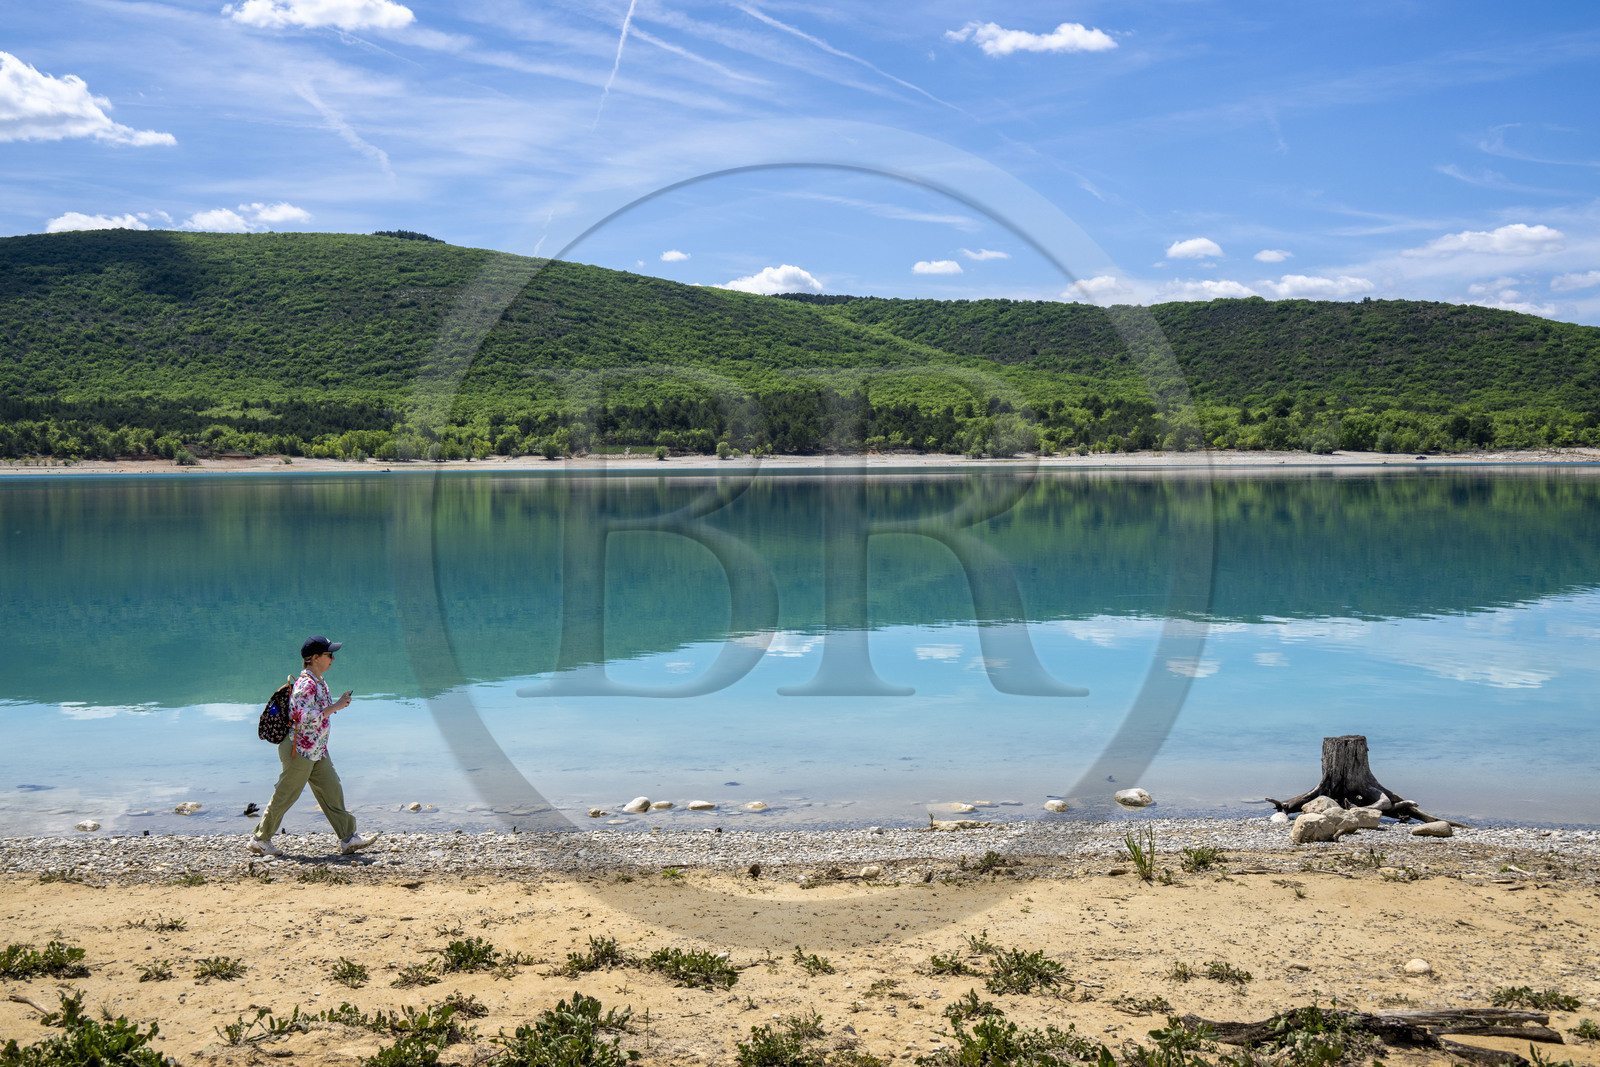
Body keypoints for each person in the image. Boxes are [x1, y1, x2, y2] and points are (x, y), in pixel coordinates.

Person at [248, 636, 378, 856]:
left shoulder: (319, 681)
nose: (333, 658)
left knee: (331, 789)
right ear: (315, 658)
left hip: (315, 747)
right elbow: (303, 717)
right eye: (329, 654)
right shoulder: (306, 684)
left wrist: (337, 705)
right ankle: (260, 839)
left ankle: (348, 839)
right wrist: (335, 706)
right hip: (298, 749)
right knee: (287, 793)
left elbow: (317, 712)